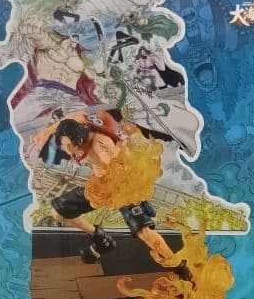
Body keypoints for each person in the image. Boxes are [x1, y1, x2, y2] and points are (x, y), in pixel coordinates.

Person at [34, 109, 175, 265]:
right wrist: (45, 133)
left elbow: (119, 169)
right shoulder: (78, 124)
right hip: (100, 186)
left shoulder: (99, 144)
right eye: (64, 147)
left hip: (123, 187)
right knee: (59, 211)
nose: (67, 151)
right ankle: (100, 239)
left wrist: (137, 197)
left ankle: (178, 264)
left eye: (68, 146)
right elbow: (68, 120)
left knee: (144, 232)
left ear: (76, 138)